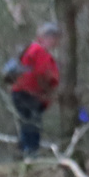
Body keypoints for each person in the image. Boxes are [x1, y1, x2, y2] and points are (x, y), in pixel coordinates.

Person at [10, 23, 60, 157]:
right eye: (52, 38)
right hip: (28, 94)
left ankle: (24, 152)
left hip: (21, 93)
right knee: (32, 124)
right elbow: (42, 73)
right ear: (43, 37)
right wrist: (47, 91)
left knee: (28, 122)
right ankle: (31, 153)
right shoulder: (38, 51)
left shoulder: (32, 49)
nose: (55, 41)